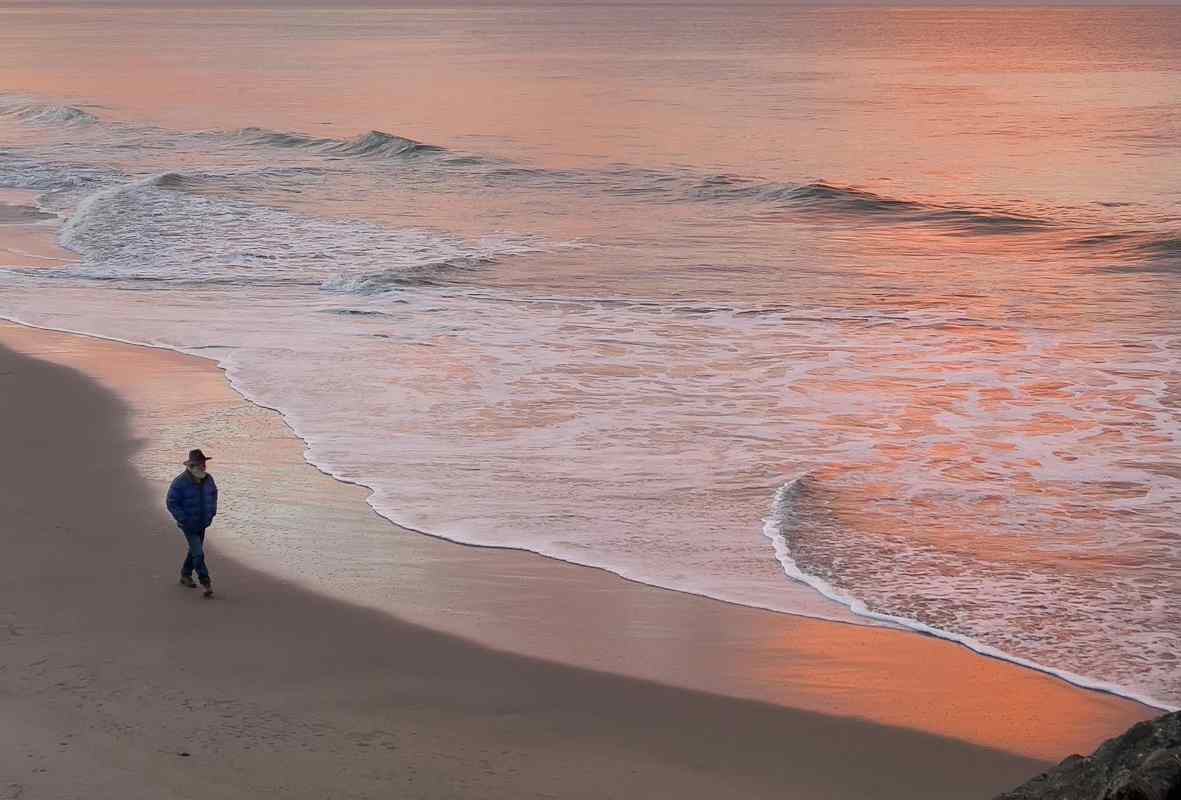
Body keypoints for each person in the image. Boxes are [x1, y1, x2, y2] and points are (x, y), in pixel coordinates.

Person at [166, 448, 219, 598]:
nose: (203, 467)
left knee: (194, 551)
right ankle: (206, 583)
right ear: (191, 466)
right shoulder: (180, 482)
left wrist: (212, 513)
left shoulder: (208, 479)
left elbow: (214, 494)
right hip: (188, 524)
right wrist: (183, 519)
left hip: (202, 522)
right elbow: (171, 502)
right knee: (198, 553)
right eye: (200, 464)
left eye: (204, 464)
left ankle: (185, 574)